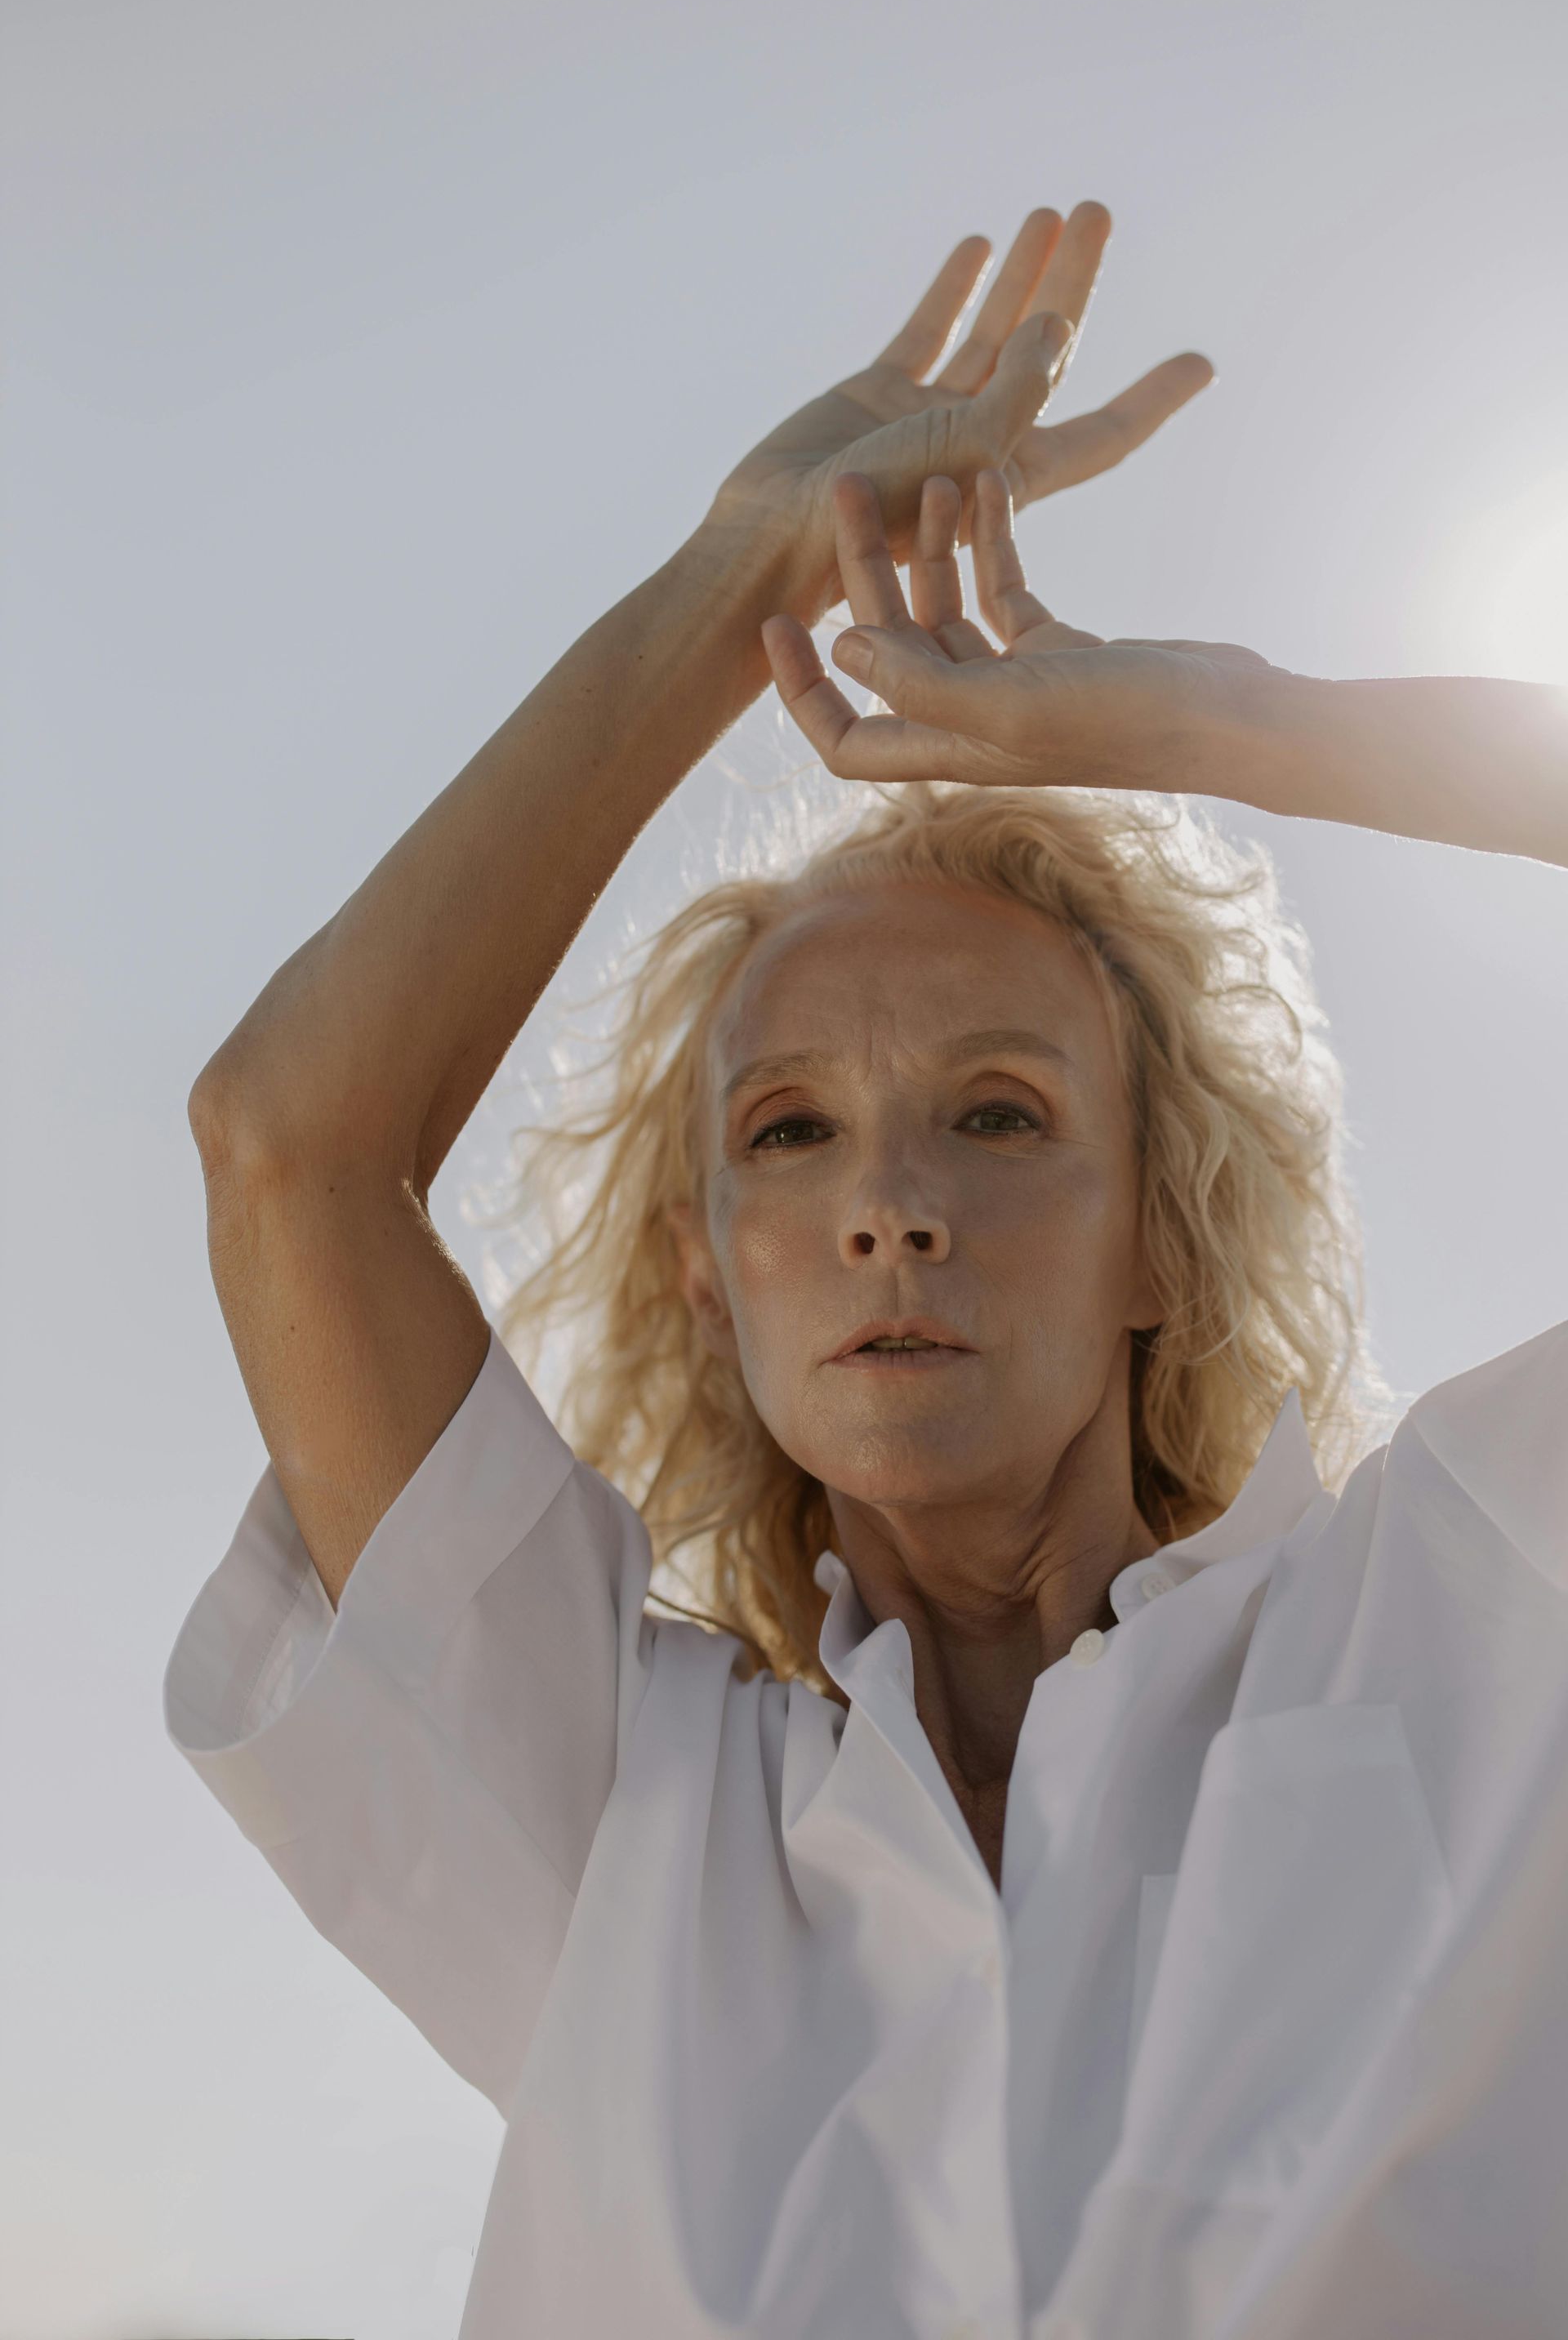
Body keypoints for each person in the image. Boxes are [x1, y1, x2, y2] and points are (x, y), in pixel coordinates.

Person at [162, 202, 1568, 2340]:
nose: (886, 1207)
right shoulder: (616, 1808)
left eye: (1000, 1115)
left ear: (1156, 1250)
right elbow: (290, 1147)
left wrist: (1219, 722)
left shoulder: (1469, 1622)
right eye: (787, 1131)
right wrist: (742, 579)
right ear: (712, 1280)